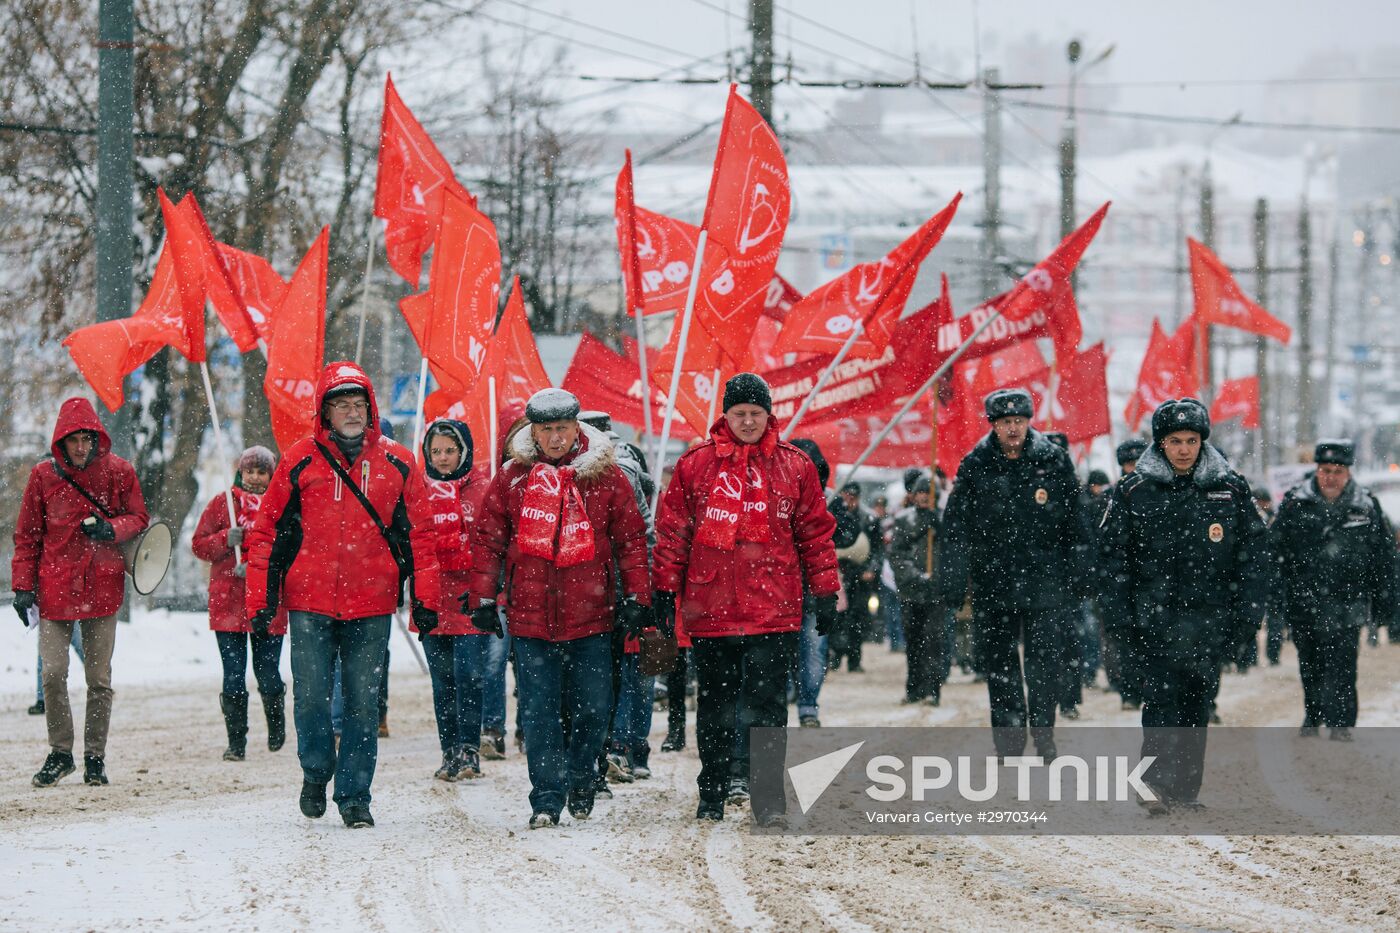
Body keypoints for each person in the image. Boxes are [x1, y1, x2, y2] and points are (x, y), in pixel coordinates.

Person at [245, 362, 442, 829]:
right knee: (311, 697)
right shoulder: (298, 460)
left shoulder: (398, 462)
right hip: (309, 600)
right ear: (325, 413)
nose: (352, 413)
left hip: (372, 602)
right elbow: (266, 531)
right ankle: (316, 772)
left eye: (359, 404)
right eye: (342, 405)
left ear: (371, 409)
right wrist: (260, 599)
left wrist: (426, 599)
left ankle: (355, 795)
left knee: (362, 701)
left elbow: (422, 537)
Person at [653, 373, 839, 826]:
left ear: (769, 414)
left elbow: (815, 534)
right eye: (740, 414)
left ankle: (767, 797)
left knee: (769, 708)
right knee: (715, 707)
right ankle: (711, 792)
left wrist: (826, 589)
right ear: (726, 415)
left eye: (757, 414)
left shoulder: (794, 466)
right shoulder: (696, 465)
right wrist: (663, 590)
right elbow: (673, 532)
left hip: (773, 610)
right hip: (710, 607)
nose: (749, 422)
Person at [467, 388, 650, 829]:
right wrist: (484, 599)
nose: (554, 438)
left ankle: (584, 777)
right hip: (532, 618)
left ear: (576, 427)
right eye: (546, 430)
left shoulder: (606, 477)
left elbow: (630, 542)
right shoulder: (512, 478)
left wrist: (637, 598)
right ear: (533, 430)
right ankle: (546, 799)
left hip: (593, 616)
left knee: (593, 708)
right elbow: (489, 539)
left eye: (562, 429)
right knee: (539, 712)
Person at [1098, 399, 1267, 813]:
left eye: (1192, 440)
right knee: (1160, 703)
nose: (1184, 449)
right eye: (1175, 441)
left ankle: (1186, 791)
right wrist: (1120, 616)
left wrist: (1247, 616)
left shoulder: (1229, 488)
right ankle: (1154, 784)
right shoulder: (1134, 490)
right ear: (1161, 444)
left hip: (1209, 620)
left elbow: (1255, 556)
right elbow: (1112, 558)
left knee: (1197, 703)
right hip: (1153, 619)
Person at [939, 388, 1084, 760]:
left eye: (1019, 421)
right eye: (1006, 423)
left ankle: (1045, 736)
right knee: (1000, 666)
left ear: (1029, 422)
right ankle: (1009, 741)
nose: (1013, 428)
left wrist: (1080, 574)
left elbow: (1076, 523)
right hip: (994, 581)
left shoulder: (1053, 460)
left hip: (1045, 580)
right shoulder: (976, 464)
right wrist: (954, 581)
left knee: (1044, 665)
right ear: (994, 426)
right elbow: (955, 529)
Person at [13, 397, 149, 788]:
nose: (82, 447)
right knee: (53, 673)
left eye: (88, 439)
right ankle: (60, 753)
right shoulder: (42, 476)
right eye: (74, 440)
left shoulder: (119, 472)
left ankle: (94, 756)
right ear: (61, 440)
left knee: (98, 678)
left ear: (96, 437)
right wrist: (23, 586)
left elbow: (139, 516)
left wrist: (112, 529)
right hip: (54, 588)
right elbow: (27, 535)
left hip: (103, 585)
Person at [1272, 440, 1394, 741]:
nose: (1331, 477)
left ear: (1348, 473)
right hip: (1305, 599)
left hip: (1348, 601)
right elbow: (1275, 552)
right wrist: (1279, 594)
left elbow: (1383, 557)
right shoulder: (1296, 502)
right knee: (1310, 662)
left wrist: (1385, 603)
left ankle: (1341, 723)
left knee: (1343, 664)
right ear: (1316, 470)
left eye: (1338, 471)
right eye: (1326, 470)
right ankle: (1313, 714)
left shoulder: (1365, 507)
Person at [191, 445, 287, 762]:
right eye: (250, 471)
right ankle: (237, 741)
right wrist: (224, 540)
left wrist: (261, 564)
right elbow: (199, 545)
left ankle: (276, 722)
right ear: (240, 472)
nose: (256, 478)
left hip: (268, 603)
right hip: (228, 602)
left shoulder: (282, 504)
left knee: (268, 672)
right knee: (233, 675)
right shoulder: (224, 504)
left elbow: (290, 545)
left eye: (262, 472)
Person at [413, 418, 491, 781]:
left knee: (470, 676)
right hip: (431, 598)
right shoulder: (416, 490)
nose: (443, 458)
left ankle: (469, 750)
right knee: (442, 681)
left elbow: (492, 543)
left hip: (469, 599)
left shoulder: (481, 488)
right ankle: (449, 752)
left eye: (450, 450)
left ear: (464, 452)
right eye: (436, 451)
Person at [460, 402, 527, 761]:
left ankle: (527, 729)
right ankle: (493, 729)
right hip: (502, 592)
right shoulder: (497, 482)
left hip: (532, 590)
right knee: (493, 664)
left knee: (532, 667)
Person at [889, 474, 944, 705]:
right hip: (911, 593)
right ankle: (914, 688)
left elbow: (951, 552)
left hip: (936, 593)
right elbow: (897, 555)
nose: (924, 497)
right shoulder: (904, 521)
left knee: (933, 642)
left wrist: (937, 526)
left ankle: (933, 689)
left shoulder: (944, 521)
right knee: (914, 643)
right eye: (921, 492)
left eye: (928, 493)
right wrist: (914, 576)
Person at [1103, 439, 1148, 709]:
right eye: (1128, 464)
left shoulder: (1152, 491)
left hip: (1148, 579)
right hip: (1121, 579)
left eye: (1136, 463)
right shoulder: (1113, 495)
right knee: (1123, 642)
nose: (1132, 468)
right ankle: (1129, 691)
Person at [829, 481, 882, 673]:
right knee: (836, 617)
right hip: (838, 574)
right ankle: (835, 655)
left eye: (853, 497)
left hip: (860, 574)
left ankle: (854, 659)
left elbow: (877, 549)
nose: (849, 501)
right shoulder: (833, 516)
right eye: (846, 496)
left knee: (857, 618)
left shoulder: (869, 519)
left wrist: (872, 569)